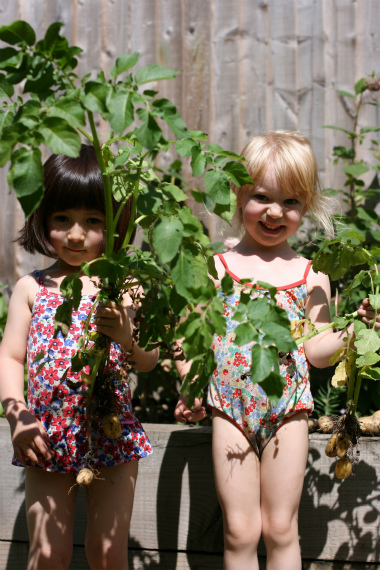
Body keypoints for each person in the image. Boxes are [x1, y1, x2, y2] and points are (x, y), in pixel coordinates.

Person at [174, 131, 379, 570]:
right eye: (262, 196)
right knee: (240, 529)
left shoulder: (312, 275)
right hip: (230, 407)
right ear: (238, 193)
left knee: (281, 527)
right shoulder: (217, 268)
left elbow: (317, 351)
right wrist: (190, 382)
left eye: (291, 202)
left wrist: (354, 329)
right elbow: (191, 336)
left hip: (288, 410)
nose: (275, 212)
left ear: (306, 206)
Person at [0, 145, 158, 570]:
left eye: (92, 222)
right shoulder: (32, 289)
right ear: (42, 220)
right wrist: (18, 415)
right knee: (48, 553)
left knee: (108, 553)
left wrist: (128, 337)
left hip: (112, 429)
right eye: (62, 219)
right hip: (45, 433)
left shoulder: (124, 286)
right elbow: (11, 357)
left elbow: (148, 360)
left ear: (115, 226)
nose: (75, 234)